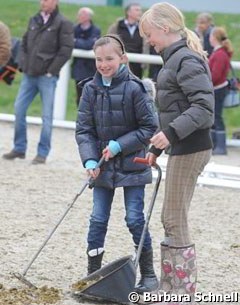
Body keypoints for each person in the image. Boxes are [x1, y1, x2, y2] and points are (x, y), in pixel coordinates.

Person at [139, 2, 214, 303]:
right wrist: (158, 146)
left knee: (173, 217)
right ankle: (172, 287)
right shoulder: (173, 60)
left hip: (191, 147)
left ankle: (180, 291)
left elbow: (204, 109)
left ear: (165, 28)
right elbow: (175, 111)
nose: (148, 40)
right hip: (181, 145)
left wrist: (169, 134)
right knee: (171, 216)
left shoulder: (185, 60)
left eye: (150, 33)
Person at [75, 34, 159, 294]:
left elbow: (149, 127)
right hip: (101, 165)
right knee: (98, 219)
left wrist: (119, 145)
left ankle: (148, 274)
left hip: (132, 164)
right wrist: (90, 158)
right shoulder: (89, 88)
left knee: (134, 219)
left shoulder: (136, 88)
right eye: (99, 59)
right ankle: (93, 274)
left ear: (122, 58)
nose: (103, 64)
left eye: (109, 59)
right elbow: (84, 129)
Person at [2, 0, 74, 164]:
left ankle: (42, 153)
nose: (43, 2)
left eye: (47, 0)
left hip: (47, 77)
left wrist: (51, 71)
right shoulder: (33, 19)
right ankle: (19, 148)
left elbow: (66, 50)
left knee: (46, 116)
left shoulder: (63, 23)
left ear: (55, 2)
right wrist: (22, 64)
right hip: (29, 74)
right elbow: (24, 43)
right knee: (19, 109)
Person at [209, 27, 233, 155]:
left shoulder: (219, 54)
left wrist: (205, 81)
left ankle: (220, 146)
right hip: (218, 88)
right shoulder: (220, 52)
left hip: (218, 89)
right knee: (214, 117)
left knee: (216, 117)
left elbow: (216, 75)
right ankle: (214, 145)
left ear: (214, 38)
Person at [71, 7, 101, 106]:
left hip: (91, 68)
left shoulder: (96, 30)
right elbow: (70, 42)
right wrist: (84, 43)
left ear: (89, 17)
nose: (80, 17)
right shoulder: (74, 29)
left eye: (83, 15)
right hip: (78, 68)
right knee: (79, 95)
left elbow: (89, 45)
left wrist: (77, 41)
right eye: (79, 15)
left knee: (90, 96)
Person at [107, 3, 144, 78]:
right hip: (119, 63)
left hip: (137, 64)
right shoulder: (117, 26)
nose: (140, 12)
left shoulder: (143, 27)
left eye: (140, 10)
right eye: (137, 10)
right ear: (128, 12)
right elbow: (108, 40)